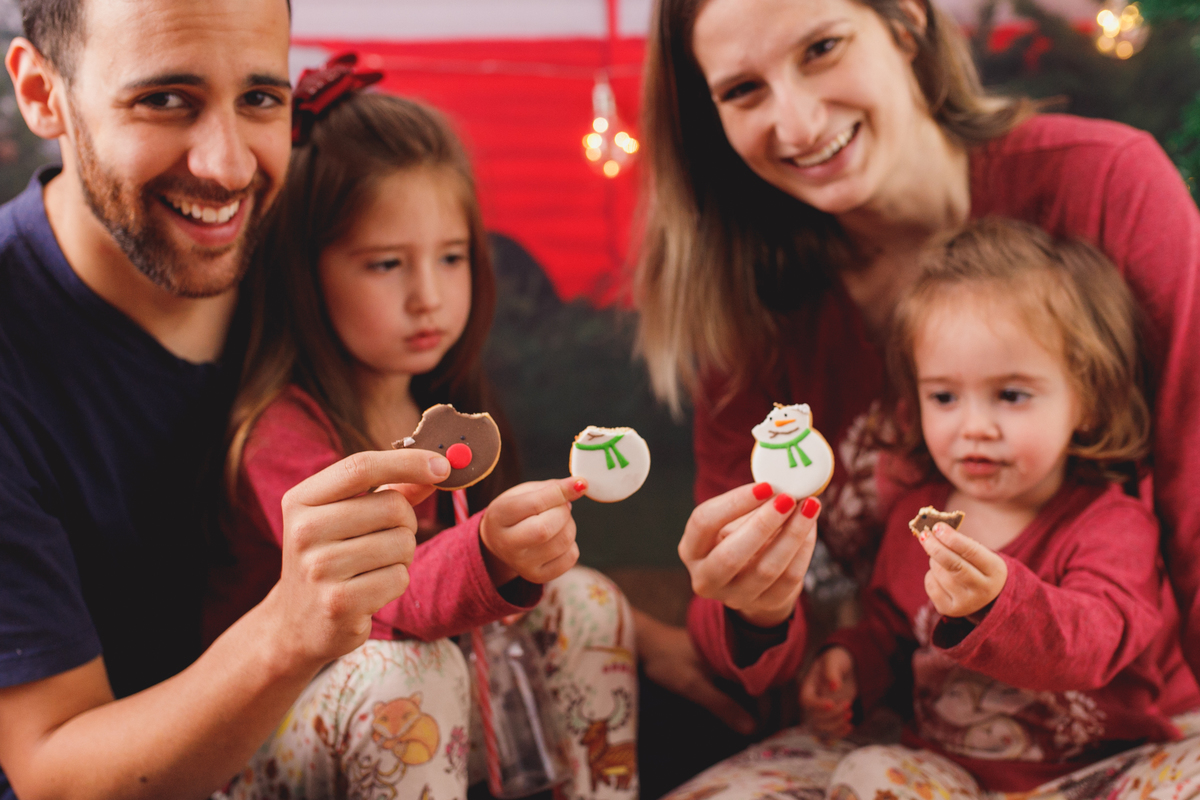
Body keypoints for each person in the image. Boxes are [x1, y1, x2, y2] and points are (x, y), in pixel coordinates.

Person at [631, 0, 1200, 748]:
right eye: (743, 91)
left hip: (1134, 725)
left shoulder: (1104, 183)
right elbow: (752, 661)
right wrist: (750, 609)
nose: (797, 125)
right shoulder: (750, 308)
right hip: (915, 740)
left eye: (822, 48)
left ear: (905, 22)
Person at [0, 2, 447, 798]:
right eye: (165, 100)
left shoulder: (320, 249)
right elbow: (52, 775)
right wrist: (290, 626)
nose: (228, 166)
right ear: (44, 95)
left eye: (260, 99)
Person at [206, 76, 637, 800]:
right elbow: (380, 603)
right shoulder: (280, 436)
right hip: (278, 744)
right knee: (411, 667)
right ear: (307, 274)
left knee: (586, 599)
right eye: (385, 263)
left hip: (436, 731)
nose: (428, 296)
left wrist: (525, 555)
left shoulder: (450, 409)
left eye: (451, 257)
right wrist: (492, 554)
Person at [794, 218, 1200, 799]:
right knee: (867, 773)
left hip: (1102, 771)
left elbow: (1096, 640)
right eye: (944, 397)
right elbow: (890, 628)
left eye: (1011, 395)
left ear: (1085, 400)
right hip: (952, 776)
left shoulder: (1111, 522)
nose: (975, 428)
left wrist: (998, 604)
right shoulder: (918, 516)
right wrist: (850, 665)